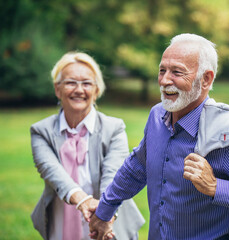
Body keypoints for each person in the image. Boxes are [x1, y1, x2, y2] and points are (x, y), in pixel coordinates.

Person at [89, 33, 229, 240]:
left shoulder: (228, 132)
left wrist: (216, 187)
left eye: (177, 72)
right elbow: (137, 168)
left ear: (206, 79)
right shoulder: (156, 116)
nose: (164, 80)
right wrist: (103, 213)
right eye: (162, 70)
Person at [30, 52, 144, 240]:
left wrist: (105, 216)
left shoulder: (114, 128)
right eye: (70, 82)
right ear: (57, 89)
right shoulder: (41, 131)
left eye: (87, 83)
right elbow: (52, 172)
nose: (79, 89)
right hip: (61, 221)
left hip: (111, 222)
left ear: (97, 90)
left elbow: (113, 175)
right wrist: (83, 200)